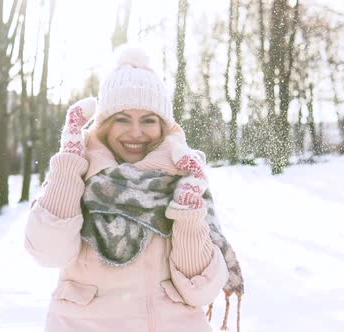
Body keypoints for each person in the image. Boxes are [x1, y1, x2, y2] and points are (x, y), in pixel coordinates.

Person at [25, 45, 243, 332]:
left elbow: (199, 291)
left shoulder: (185, 177)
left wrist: (187, 213)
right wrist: (69, 162)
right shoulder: (76, 171)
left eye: (149, 120)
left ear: (164, 126)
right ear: (103, 124)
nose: (136, 132)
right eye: (122, 119)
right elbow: (48, 253)